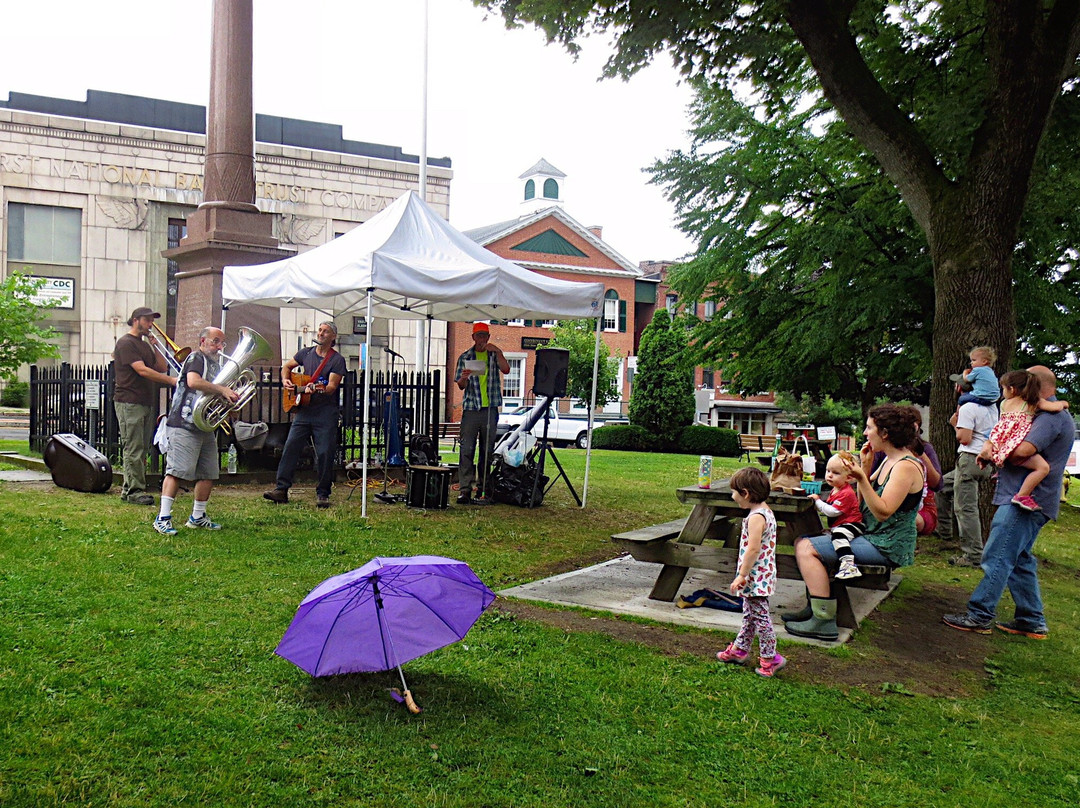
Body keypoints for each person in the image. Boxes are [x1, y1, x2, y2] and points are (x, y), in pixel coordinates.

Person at [944, 366, 1073, 639]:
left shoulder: (1051, 417)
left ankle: (980, 615)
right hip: (1021, 497)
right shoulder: (1030, 412)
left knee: (998, 556)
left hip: (1025, 501)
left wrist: (994, 453)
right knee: (1020, 558)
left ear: (1031, 385)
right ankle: (1031, 620)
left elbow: (1022, 452)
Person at [784, 405, 925, 641]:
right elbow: (863, 506)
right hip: (870, 535)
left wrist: (861, 476)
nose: (866, 433)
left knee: (807, 549)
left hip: (887, 544)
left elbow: (883, 512)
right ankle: (815, 608)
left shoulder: (905, 467)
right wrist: (867, 467)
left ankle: (823, 620)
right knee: (803, 540)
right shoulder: (889, 461)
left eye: (869, 428)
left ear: (885, 433)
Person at [153, 327, 238, 535]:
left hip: (204, 425)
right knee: (176, 472)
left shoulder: (216, 365)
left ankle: (198, 516)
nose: (219, 347)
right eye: (215, 341)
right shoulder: (195, 358)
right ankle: (162, 518)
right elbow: (193, 382)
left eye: (222, 343)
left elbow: (212, 393)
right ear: (203, 341)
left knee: (208, 472)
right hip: (184, 423)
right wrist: (222, 390)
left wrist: (228, 404)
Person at [263, 322, 347, 509]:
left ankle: (323, 493)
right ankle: (281, 489)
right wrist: (286, 380)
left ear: (333, 337)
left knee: (325, 452)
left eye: (325, 331)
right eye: (320, 330)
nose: (321, 334)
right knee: (291, 447)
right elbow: (287, 367)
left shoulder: (337, 360)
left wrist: (317, 390)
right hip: (304, 411)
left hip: (325, 412)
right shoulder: (306, 353)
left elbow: (331, 387)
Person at [715, 467, 786, 677]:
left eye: (735, 492)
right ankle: (739, 649)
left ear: (745, 493)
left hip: (755, 578)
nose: (732, 496)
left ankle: (771, 657)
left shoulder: (756, 517)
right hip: (759, 576)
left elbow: (753, 548)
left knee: (761, 619)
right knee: (750, 616)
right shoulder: (766, 512)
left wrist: (742, 575)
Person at [976, 370, 1068, 512]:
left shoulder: (1004, 404)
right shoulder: (1031, 403)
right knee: (1043, 468)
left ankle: (998, 468)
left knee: (994, 450)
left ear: (1012, 389)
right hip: (1015, 444)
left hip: (1001, 442)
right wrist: (1063, 403)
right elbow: (1054, 407)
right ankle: (1022, 495)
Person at [112, 307, 176, 505]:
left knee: (142, 446)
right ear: (135, 320)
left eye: (151, 320)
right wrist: (171, 381)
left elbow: (160, 367)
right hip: (129, 401)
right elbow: (142, 371)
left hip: (145, 401)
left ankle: (131, 488)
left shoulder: (144, 345)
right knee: (134, 446)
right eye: (147, 320)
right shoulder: (125, 343)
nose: (151, 324)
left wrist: (155, 346)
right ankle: (133, 491)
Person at [453, 322, 510, 505]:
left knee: (487, 450)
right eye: (478, 336)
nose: (481, 339)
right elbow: (461, 386)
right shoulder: (465, 356)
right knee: (466, 449)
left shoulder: (493, 355)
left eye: (484, 335)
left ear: (488, 337)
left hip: (490, 409)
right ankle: (465, 490)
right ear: (473, 337)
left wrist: (498, 351)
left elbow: (506, 369)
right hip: (471, 409)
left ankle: (484, 489)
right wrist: (463, 378)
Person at [941, 395, 999, 567]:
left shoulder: (968, 407)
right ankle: (944, 534)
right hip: (984, 461)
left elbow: (965, 438)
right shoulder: (992, 407)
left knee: (966, 508)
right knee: (942, 485)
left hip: (970, 459)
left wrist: (959, 418)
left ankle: (973, 555)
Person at [809, 453, 865, 580]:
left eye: (835, 473)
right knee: (832, 533)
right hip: (842, 524)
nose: (829, 475)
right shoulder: (836, 489)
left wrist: (818, 502)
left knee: (839, 535)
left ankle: (849, 565)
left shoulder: (846, 493)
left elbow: (833, 512)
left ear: (849, 478)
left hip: (853, 524)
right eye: (828, 471)